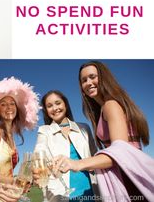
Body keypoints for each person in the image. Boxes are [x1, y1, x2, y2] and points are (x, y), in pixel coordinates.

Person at [54, 61, 154, 202]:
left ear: (103, 77)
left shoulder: (110, 105)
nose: (88, 83)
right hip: (127, 175)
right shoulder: (104, 109)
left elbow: (120, 154)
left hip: (129, 179)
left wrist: (76, 164)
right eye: (84, 80)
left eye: (92, 76)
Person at [0, 77, 40, 202]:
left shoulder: (10, 135)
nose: (9, 107)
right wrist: (16, 182)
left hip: (6, 195)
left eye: (12, 104)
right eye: (3, 104)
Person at [33, 90, 99, 202]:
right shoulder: (44, 131)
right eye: (49, 106)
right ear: (46, 110)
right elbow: (39, 150)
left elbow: (95, 157)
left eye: (58, 103)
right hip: (61, 194)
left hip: (90, 189)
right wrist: (38, 166)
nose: (54, 108)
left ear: (65, 104)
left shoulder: (84, 128)